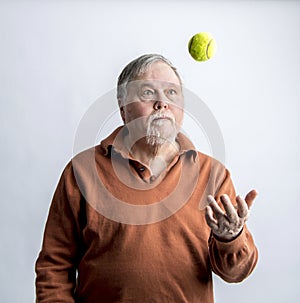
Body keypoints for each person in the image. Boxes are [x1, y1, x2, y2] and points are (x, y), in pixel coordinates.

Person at [35, 54, 258, 303]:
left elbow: (236, 273)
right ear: (123, 109)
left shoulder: (212, 174)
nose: (162, 103)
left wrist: (230, 237)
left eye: (172, 93)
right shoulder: (82, 171)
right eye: (148, 93)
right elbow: (54, 267)